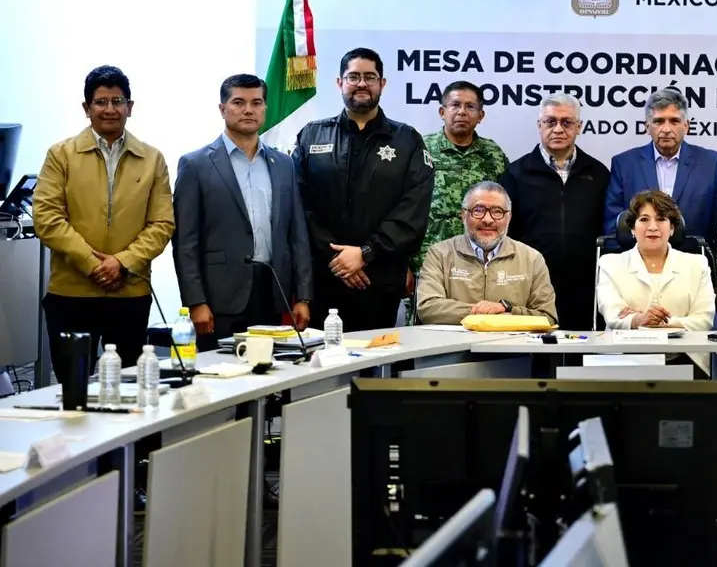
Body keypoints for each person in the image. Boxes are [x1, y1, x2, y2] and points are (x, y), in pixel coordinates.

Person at [33, 66, 175, 379]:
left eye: (117, 101)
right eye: (100, 102)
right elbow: (47, 218)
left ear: (130, 107)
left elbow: (162, 224)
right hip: (71, 295)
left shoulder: (152, 159)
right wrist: (92, 264)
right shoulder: (61, 155)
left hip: (129, 295)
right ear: (86, 109)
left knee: (127, 393)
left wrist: (122, 263)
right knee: (72, 392)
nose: (110, 109)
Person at [293, 48, 435, 332]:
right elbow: (298, 204)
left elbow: (413, 210)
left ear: (382, 84)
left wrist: (365, 253)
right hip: (324, 278)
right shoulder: (312, 135)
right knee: (321, 366)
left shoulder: (407, 140)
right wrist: (336, 257)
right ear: (339, 83)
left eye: (370, 77)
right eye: (353, 76)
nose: (361, 83)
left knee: (375, 368)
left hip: (379, 280)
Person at [172, 74, 313, 351]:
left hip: (272, 292)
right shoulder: (195, 164)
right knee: (221, 379)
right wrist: (196, 302)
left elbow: (298, 234)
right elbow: (185, 241)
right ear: (222, 108)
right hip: (219, 299)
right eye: (238, 102)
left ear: (265, 109)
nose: (248, 110)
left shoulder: (283, 163)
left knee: (272, 378)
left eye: (256, 103)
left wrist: (303, 297)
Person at [500, 94, 609, 332]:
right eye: (550, 122)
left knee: (582, 360)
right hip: (533, 284)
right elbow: (507, 233)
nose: (558, 129)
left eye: (567, 122)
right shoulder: (516, 174)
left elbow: (606, 229)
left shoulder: (598, 173)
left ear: (579, 127)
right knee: (539, 359)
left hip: (586, 287)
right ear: (539, 126)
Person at [596, 190, 715, 373]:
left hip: (685, 360)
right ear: (633, 229)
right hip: (624, 361)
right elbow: (613, 315)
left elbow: (703, 320)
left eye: (661, 219)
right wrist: (641, 319)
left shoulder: (697, 264)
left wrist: (645, 323)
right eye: (644, 219)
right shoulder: (610, 264)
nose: (653, 227)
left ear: (673, 228)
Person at [416, 182, 558, 325]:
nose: (488, 220)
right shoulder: (439, 254)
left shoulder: (532, 259)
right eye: (478, 210)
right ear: (464, 215)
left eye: (497, 212)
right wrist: (488, 313)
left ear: (509, 217)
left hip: (509, 346)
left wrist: (506, 309)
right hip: (454, 345)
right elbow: (428, 308)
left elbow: (547, 317)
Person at [603, 88, 717, 246]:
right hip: (637, 265)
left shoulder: (711, 164)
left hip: (694, 264)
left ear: (686, 125)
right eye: (658, 121)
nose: (666, 129)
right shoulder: (624, 164)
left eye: (674, 121)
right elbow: (612, 227)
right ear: (647, 126)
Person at [415, 79, 509, 271]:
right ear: (442, 112)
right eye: (455, 105)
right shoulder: (420, 149)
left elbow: (505, 207)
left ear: (481, 115)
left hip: (480, 261)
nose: (462, 112)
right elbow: (402, 206)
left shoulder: (493, 154)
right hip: (428, 259)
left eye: (470, 106)